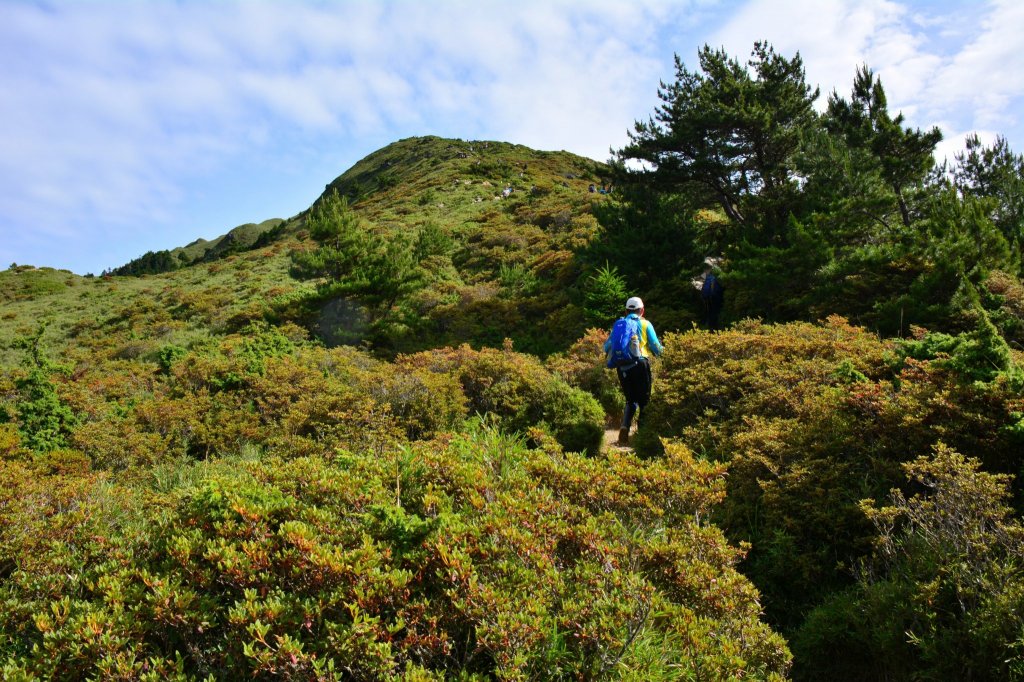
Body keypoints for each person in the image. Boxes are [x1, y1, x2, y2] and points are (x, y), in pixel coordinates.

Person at [603, 296, 663, 446]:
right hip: (641, 365)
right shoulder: (645, 324)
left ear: (626, 310)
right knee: (645, 401)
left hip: (622, 367)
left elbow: (606, 347)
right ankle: (642, 435)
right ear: (642, 310)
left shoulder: (619, 324)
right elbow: (656, 347)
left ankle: (624, 427)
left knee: (631, 400)